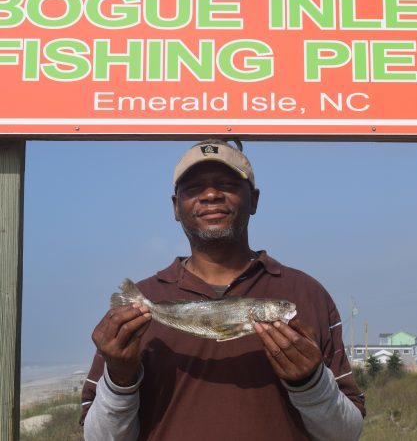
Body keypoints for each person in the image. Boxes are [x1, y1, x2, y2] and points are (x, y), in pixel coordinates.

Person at [81, 140, 365, 441]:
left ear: (254, 200)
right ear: (176, 207)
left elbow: (346, 434)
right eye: (193, 188)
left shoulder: (308, 294)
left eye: (227, 184)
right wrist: (120, 377)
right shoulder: (137, 307)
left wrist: (312, 382)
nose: (211, 195)